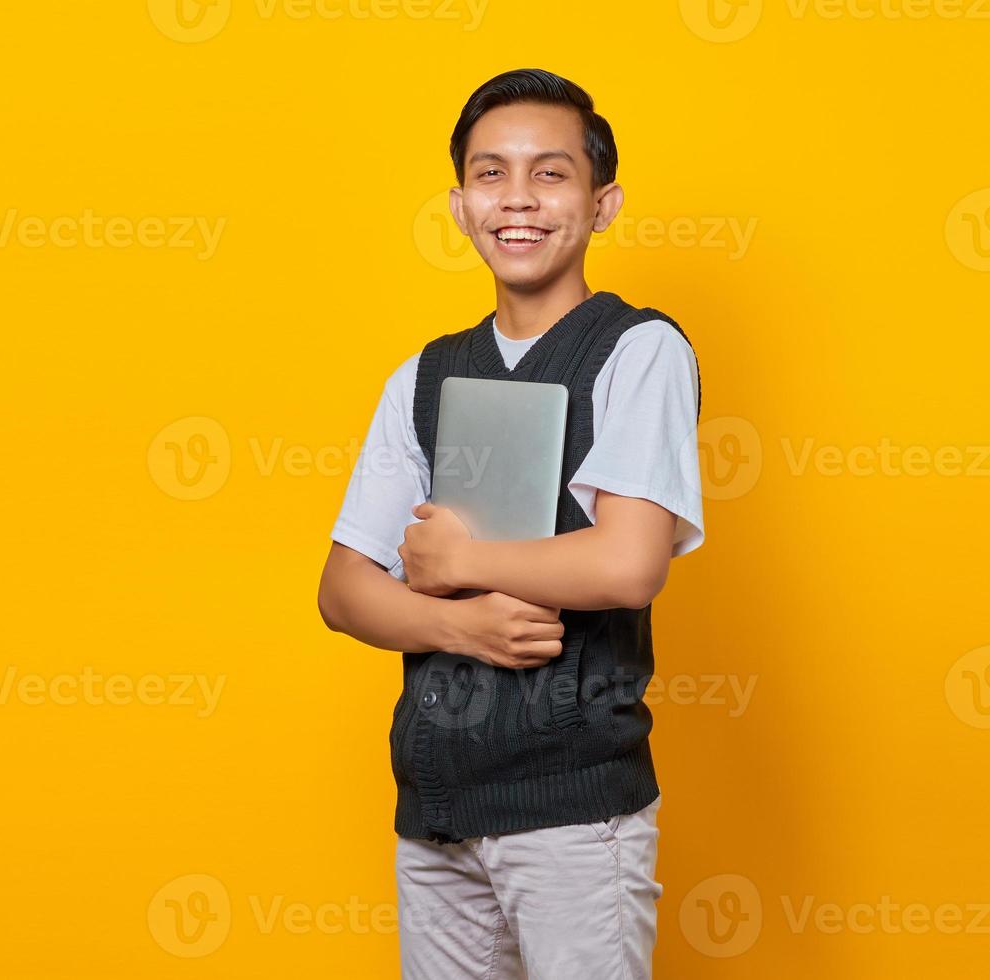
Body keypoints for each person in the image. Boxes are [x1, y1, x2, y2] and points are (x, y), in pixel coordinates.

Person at [317, 67, 704, 979]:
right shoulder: (422, 375)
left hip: (572, 813)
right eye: (492, 175)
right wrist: (457, 622)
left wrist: (460, 557)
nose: (518, 200)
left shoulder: (639, 350)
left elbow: (628, 563)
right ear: (459, 204)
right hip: (437, 808)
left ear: (603, 204)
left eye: (551, 173)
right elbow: (342, 589)